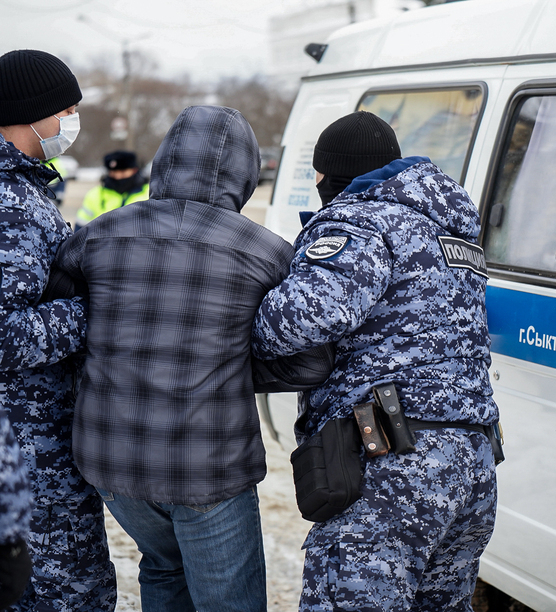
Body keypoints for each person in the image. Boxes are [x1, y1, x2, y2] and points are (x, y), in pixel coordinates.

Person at [54, 105, 330, 612]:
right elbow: (310, 361)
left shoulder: (95, 234)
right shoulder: (266, 251)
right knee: (229, 601)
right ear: (246, 175)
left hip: (111, 458)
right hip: (208, 463)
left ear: (163, 160)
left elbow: (66, 332)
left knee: (163, 568)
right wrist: (224, 365)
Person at [252, 110, 500, 611]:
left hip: (392, 461)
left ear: (327, 175)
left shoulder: (359, 222)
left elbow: (299, 320)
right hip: (472, 459)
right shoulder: (450, 230)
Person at [0, 49, 117, 611]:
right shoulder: (10, 203)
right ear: (31, 115)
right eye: (65, 109)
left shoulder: (22, 190)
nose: (72, 121)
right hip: (26, 445)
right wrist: (92, 310)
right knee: (67, 591)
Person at [75, 149, 149, 228]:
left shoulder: (149, 193)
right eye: (113, 172)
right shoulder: (94, 194)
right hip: (101, 240)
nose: (118, 176)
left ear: (134, 170)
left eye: (123, 172)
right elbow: (81, 226)